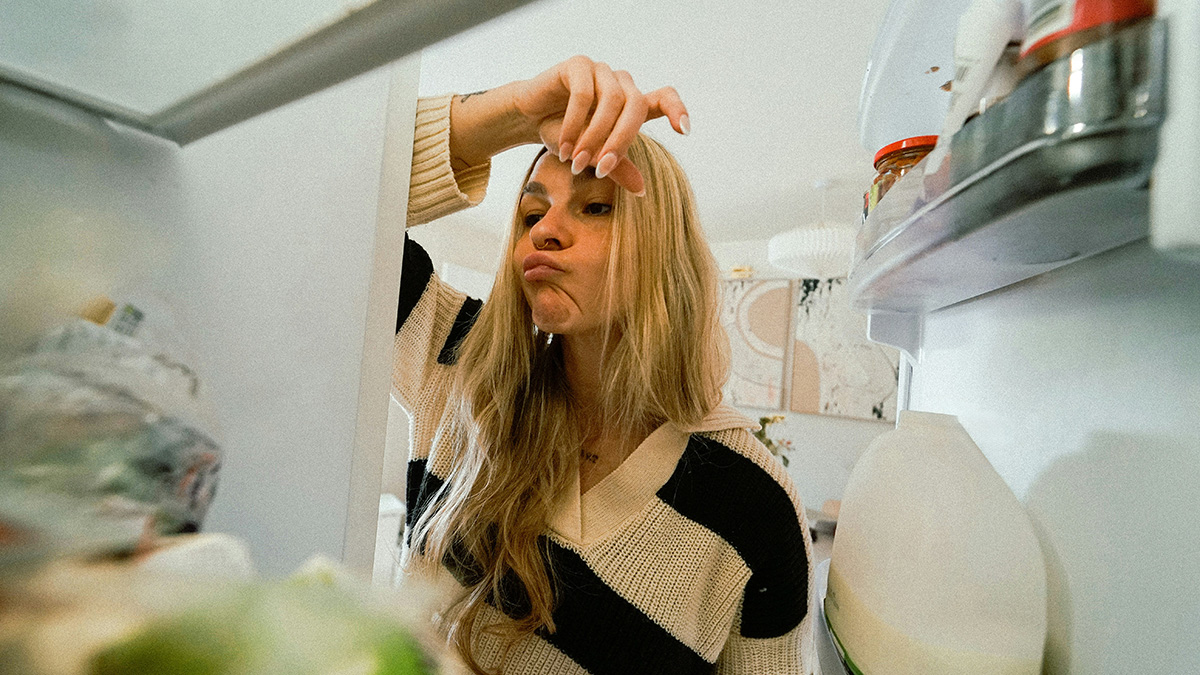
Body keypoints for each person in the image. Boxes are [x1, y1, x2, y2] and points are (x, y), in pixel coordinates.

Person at [394, 55, 814, 675]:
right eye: (532, 214)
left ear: (664, 250)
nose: (546, 232)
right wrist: (514, 111)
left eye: (595, 207)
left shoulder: (755, 505)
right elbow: (335, 197)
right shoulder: (461, 362)